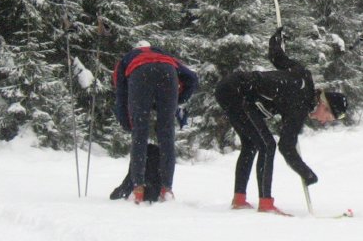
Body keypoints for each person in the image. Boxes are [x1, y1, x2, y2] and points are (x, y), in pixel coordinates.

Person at [214, 27, 347, 214]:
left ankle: (239, 198)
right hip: (240, 93)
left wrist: (276, 40)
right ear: (325, 106)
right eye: (329, 118)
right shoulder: (300, 105)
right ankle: (266, 203)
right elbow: (286, 146)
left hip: (231, 88)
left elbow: (277, 58)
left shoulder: (304, 76)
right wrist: (305, 171)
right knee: (267, 145)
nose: (325, 122)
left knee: (252, 144)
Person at [113, 39, 198, 205]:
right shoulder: (164, 55)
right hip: (168, 73)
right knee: (166, 134)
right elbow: (192, 78)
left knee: (140, 133)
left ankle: (138, 188)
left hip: (140, 74)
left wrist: (127, 123)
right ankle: (166, 189)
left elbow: (121, 95)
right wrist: (178, 100)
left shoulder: (127, 59)